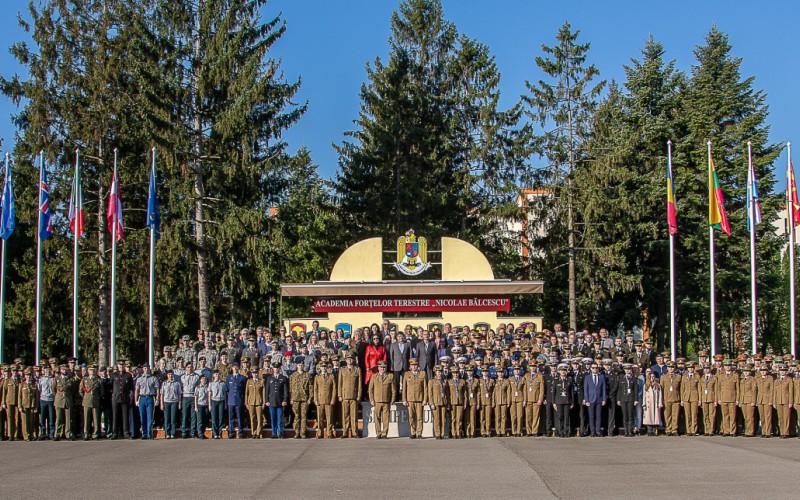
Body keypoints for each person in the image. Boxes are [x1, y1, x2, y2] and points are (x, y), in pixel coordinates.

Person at [368, 360, 395, 439]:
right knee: (377, 417)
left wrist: (393, 399)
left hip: (386, 400)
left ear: (386, 368)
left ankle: (384, 433)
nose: (382, 369)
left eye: (384, 367)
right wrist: (371, 400)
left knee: (386, 418)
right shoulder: (374, 376)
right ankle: (378, 433)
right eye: (381, 367)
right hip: (377, 400)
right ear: (378, 368)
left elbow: (393, 390)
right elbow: (371, 389)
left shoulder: (390, 376)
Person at [338, 354, 361, 439]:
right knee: (345, 415)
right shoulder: (342, 370)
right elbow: (340, 383)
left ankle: (355, 432)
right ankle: (345, 432)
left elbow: (359, 384)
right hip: (344, 396)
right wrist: (339, 395)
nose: (350, 361)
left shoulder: (357, 370)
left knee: (354, 415)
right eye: (348, 359)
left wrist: (359, 394)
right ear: (346, 360)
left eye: (351, 359)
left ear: (354, 360)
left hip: (354, 395)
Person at [402, 358, 427, 439]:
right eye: (412, 365)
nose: (414, 367)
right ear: (410, 366)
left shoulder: (422, 374)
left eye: (415, 365)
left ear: (418, 365)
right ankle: (413, 432)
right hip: (410, 399)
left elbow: (425, 388)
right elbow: (404, 388)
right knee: (411, 417)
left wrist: (425, 399)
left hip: (419, 399)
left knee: (419, 417)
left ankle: (419, 433)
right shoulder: (407, 374)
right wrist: (404, 399)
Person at [135, 365, 160, 440]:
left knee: (150, 417)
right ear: (143, 369)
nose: (146, 370)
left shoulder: (153, 378)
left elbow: (157, 389)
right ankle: (144, 433)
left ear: (149, 369)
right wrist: (136, 400)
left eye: (147, 368)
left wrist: (157, 399)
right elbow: (137, 390)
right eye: (145, 368)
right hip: (142, 397)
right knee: (142, 416)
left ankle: (149, 434)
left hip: (150, 397)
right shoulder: (139, 379)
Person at [110, 359, 133, 439]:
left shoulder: (128, 375)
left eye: (122, 365)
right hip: (116, 398)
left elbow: (131, 387)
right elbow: (110, 386)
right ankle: (114, 433)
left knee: (125, 416)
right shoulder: (113, 375)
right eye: (119, 365)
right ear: (117, 366)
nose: (121, 367)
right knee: (115, 416)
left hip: (124, 398)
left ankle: (126, 432)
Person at [265, 362, 289, 439]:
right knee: (273, 418)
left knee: (279, 418)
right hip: (271, 401)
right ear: (273, 369)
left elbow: (285, 390)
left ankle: (280, 433)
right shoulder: (269, 378)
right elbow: (267, 391)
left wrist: (285, 400)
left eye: (277, 368)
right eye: (274, 368)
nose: (276, 369)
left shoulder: (283, 378)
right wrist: (266, 400)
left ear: (279, 369)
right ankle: (274, 433)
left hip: (280, 401)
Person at [79, 365, 103, 440]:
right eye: (90, 370)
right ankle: (86, 433)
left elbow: (101, 392)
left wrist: (97, 397)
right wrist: (86, 397)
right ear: (88, 371)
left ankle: (95, 434)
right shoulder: (84, 380)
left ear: (95, 371)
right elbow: (81, 390)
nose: (92, 372)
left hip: (95, 401)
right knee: (86, 418)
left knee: (96, 418)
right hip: (87, 401)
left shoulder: (98, 380)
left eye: (93, 370)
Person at [583, 361, 606, 437]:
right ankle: (592, 432)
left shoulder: (601, 377)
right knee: (591, 416)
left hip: (599, 399)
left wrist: (604, 399)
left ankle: (598, 431)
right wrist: (586, 400)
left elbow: (604, 389)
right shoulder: (587, 377)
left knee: (598, 416)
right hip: (591, 400)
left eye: (596, 368)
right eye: (593, 368)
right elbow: (585, 390)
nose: (595, 369)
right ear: (590, 369)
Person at [289, 360, 312, 439]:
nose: (300, 367)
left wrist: (310, 398)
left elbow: (310, 387)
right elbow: (291, 388)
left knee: (304, 415)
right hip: (295, 398)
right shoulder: (293, 375)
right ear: (296, 366)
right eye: (299, 365)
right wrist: (291, 398)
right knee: (296, 415)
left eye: (302, 365)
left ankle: (303, 432)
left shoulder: (307, 375)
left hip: (304, 398)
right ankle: (296, 432)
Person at [314, 362, 337, 439]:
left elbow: (334, 389)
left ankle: (329, 433)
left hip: (328, 400)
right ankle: (320, 433)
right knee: (320, 418)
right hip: (320, 400)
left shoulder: (331, 377)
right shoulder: (317, 377)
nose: (324, 368)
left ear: (327, 368)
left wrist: (333, 399)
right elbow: (315, 389)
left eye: (325, 367)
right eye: (322, 367)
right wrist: (316, 399)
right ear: (320, 368)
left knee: (329, 418)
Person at [551, 364, 574, 437]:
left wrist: (572, 402)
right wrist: (553, 402)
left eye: (564, 370)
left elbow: (572, 392)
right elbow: (553, 392)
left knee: (566, 417)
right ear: (559, 371)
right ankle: (560, 432)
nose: (563, 372)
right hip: (559, 401)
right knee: (560, 417)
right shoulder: (556, 380)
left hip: (567, 401)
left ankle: (566, 431)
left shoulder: (569, 380)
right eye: (561, 370)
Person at [617, 363, 639, 437]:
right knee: (625, 415)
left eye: (629, 369)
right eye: (626, 369)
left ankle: (630, 431)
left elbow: (636, 390)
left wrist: (636, 399)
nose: (627, 371)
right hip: (623, 399)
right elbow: (619, 390)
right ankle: (626, 431)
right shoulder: (622, 378)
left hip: (631, 398)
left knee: (630, 416)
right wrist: (618, 399)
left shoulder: (634, 379)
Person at [660, 361, 682, 436]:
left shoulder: (678, 377)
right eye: (669, 367)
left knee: (675, 415)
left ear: (675, 368)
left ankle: (674, 429)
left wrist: (681, 399)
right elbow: (661, 389)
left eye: (672, 367)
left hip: (676, 398)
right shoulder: (663, 377)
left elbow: (681, 389)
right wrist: (661, 399)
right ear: (667, 368)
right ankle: (668, 429)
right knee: (667, 415)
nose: (671, 369)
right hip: (667, 399)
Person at [54, 364, 75, 441]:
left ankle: (68, 434)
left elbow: (73, 390)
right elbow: (54, 390)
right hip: (59, 401)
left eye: (66, 370)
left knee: (68, 419)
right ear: (60, 370)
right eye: (63, 370)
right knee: (59, 418)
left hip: (68, 400)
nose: (64, 371)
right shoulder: (56, 379)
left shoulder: (71, 379)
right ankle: (57, 434)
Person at [225, 364, 246, 439]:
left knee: (240, 417)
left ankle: (240, 432)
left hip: (239, 400)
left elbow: (244, 390)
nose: (235, 369)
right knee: (231, 418)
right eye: (234, 367)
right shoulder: (228, 377)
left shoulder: (242, 378)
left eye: (237, 367)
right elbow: (227, 389)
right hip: (231, 400)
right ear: (232, 368)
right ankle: (231, 432)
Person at [18, 369, 39, 441]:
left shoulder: (34, 384)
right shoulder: (22, 384)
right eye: (27, 375)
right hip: (24, 405)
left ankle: (31, 434)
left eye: (29, 375)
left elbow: (36, 397)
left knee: (31, 421)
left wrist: (36, 406)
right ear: (25, 376)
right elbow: (19, 396)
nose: (28, 377)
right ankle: (26, 436)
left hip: (32, 405)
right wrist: (19, 406)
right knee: (24, 421)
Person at [180, 363, 200, 438]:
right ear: (186, 368)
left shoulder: (196, 377)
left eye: (191, 367)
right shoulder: (182, 377)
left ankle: (192, 432)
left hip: (193, 397)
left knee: (193, 416)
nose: (189, 368)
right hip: (185, 397)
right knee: (184, 415)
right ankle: (184, 432)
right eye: (188, 367)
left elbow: (198, 387)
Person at [428, 365, 448, 439]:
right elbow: (430, 393)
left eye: (441, 372)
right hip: (436, 402)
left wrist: (447, 402)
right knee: (437, 419)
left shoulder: (444, 380)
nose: (440, 373)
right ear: (435, 372)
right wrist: (431, 403)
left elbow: (447, 393)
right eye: (438, 372)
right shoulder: (432, 381)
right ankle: (437, 434)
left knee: (443, 419)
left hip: (443, 401)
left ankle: (442, 434)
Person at [160, 369, 181, 439]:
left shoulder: (177, 383)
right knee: (167, 419)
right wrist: (161, 404)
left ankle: (173, 433)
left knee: (173, 418)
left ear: (173, 375)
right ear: (167, 375)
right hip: (166, 402)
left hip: (174, 401)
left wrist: (179, 403)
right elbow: (162, 394)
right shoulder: (164, 383)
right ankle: (167, 433)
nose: (170, 376)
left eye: (171, 374)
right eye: (169, 374)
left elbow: (179, 394)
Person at [245, 368, 265, 439]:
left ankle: (259, 433)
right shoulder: (249, 381)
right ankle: (253, 432)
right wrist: (246, 403)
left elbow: (263, 393)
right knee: (252, 417)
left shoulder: (261, 381)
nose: (255, 374)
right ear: (252, 374)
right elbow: (246, 393)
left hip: (259, 402)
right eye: (253, 373)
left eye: (256, 373)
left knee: (259, 418)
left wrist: (263, 403)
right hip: (251, 402)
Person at [642, 368, 663, 436]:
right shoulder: (646, 385)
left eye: (653, 377)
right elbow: (644, 395)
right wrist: (644, 403)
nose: (652, 378)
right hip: (648, 404)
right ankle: (649, 431)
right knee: (649, 417)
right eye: (651, 377)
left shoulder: (658, 385)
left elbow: (660, 395)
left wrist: (660, 403)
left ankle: (654, 431)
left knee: (655, 417)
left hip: (655, 403)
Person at [37, 365, 55, 440]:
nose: (47, 372)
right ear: (44, 371)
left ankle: (51, 434)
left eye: (49, 371)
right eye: (46, 371)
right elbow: (39, 389)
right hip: (43, 400)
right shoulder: (41, 379)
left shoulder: (53, 379)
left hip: (51, 400)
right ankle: (43, 434)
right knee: (42, 418)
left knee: (51, 418)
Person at [756, 365, 774, 437]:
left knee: (768, 417)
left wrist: (771, 400)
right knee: (762, 417)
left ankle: (768, 432)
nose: (763, 372)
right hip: (760, 399)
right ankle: (763, 431)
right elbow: (756, 390)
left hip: (767, 399)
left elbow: (772, 390)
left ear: (767, 371)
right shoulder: (758, 379)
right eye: (761, 371)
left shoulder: (770, 378)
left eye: (764, 370)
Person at [194, 374, 210, 439]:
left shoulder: (208, 387)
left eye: (205, 378)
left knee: (205, 420)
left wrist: (209, 405)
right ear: (200, 380)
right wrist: (196, 406)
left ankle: (203, 432)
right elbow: (196, 397)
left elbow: (209, 396)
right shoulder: (197, 387)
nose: (204, 380)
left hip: (206, 405)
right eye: (202, 378)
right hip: (199, 405)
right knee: (200, 420)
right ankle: (200, 433)